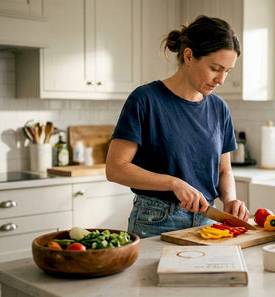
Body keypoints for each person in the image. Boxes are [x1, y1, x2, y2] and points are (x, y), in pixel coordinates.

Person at [105, 15, 249, 239]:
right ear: (188, 56)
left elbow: (224, 170)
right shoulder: (145, 99)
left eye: (227, 71)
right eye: (215, 68)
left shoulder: (219, 108)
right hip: (155, 220)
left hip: (209, 222)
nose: (221, 79)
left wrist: (230, 199)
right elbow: (115, 168)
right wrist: (172, 183)